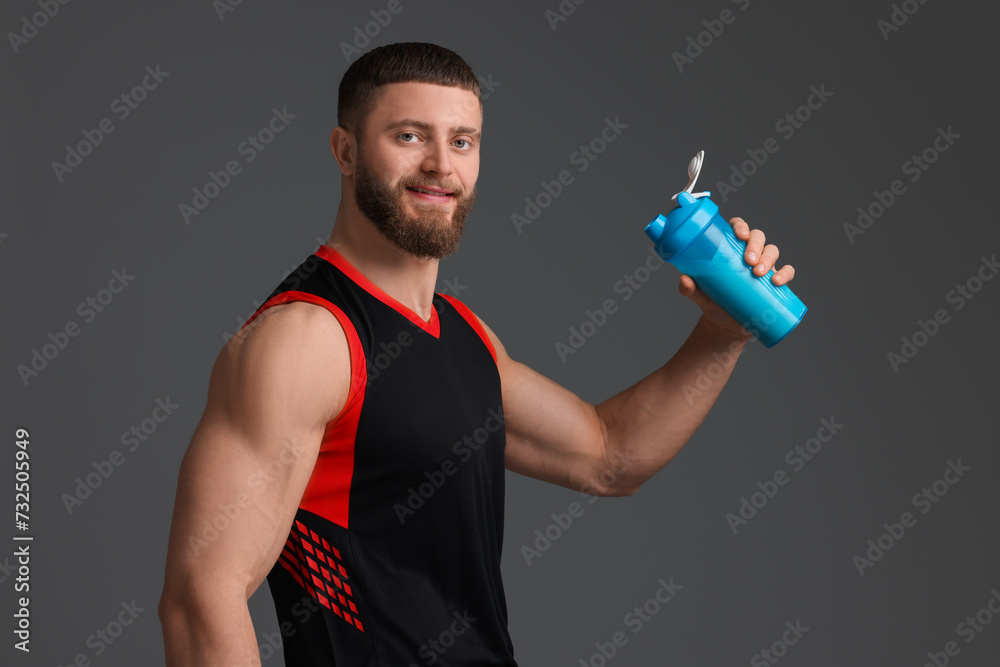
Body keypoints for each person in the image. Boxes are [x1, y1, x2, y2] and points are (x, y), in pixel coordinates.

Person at [157, 42, 796, 666]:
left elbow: (609, 455)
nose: (441, 164)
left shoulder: (465, 335)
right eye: (409, 136)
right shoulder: (306, 339)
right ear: (345, 151)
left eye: (462, 141)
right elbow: (199, 599)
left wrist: (723, 332)